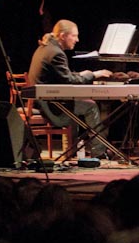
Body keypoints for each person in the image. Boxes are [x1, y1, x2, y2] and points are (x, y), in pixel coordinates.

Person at [28, 19, 112, 158]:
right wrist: (93, 74)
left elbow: (61, 76)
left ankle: (71, 150)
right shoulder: (56, 53)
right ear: (62, 35)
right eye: (74, 35)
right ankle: (99, 151)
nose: (77, 39)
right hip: (51, 105)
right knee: (90, 106)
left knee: (78, 103)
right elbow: (68, 80)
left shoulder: (45, 48)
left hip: (42, 100)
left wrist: (81, 75)